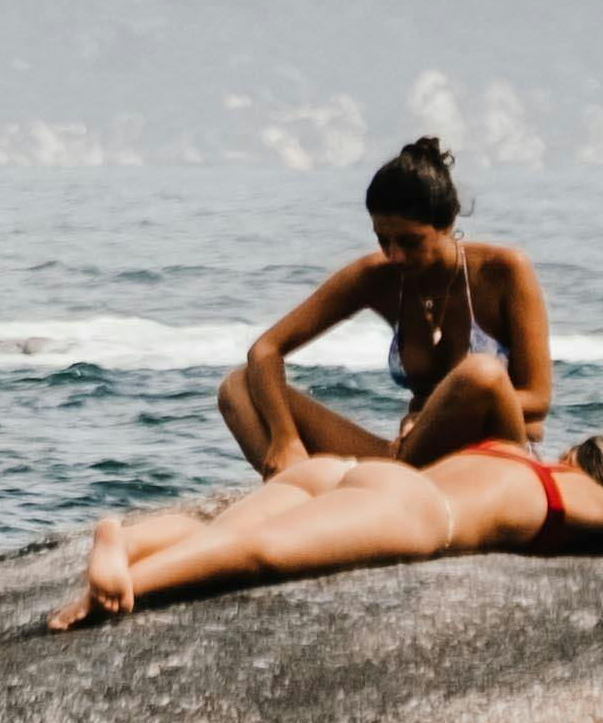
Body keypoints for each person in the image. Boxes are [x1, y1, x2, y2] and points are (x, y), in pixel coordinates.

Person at [49, 432, 603, 626]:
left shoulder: (504, 451)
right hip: (418, 514)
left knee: (219, 527)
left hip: (348, 472)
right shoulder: (581, 494)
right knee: (260, 554)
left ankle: (130, 537)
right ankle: (129, 581)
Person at [217, 138, 554, 479]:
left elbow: (537, 399)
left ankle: (352, 495)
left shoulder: (505, 270)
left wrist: (432, 415)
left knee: (480, 375)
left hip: (488, 461)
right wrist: (285, 438)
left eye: (409, 242)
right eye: (383, 239)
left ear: (447, 224)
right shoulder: (376, 276)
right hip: (409, 460)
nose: (394, 255)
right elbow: (265, 350)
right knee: (237, 388)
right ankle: (297, 487)